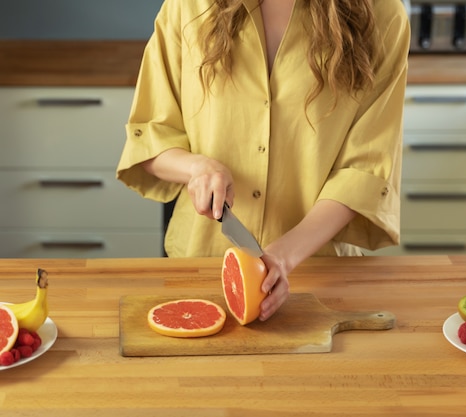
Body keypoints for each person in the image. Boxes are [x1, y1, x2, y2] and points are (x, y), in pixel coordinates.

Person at [116, 0, 410, 321]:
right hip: (198, 264)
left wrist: (283, 257)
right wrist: (196, 168)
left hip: (320, 276)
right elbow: (152, 134)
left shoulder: (382, 16)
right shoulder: (188, 6)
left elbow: (365, 169)